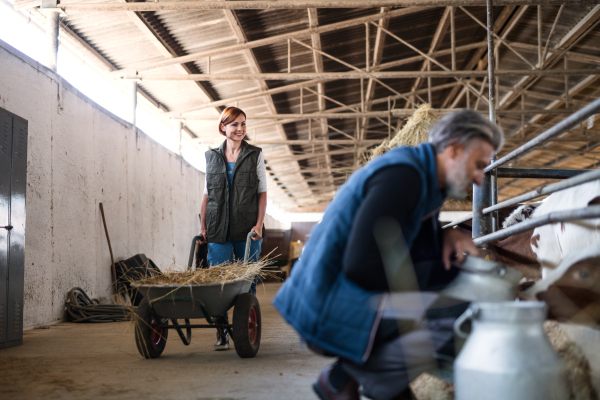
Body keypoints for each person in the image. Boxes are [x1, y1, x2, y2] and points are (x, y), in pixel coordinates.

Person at [273, 110, 504, 400]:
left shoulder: (426, 180)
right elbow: (363, 266)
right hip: (327, 303)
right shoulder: (403, 177)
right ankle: (345, 376)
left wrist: (443, 235)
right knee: (464, 315)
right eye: (479, 165)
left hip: (342, 295)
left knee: (455, 301)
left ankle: (368, 383)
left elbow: (404, 245)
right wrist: (448, 278)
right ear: (455, 149)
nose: (480, 179)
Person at [198, 106, 267, 351]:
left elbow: (262, 193)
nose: (240, 129)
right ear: (223, 127)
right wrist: (203, 228)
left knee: (247, 281)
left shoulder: (255, 154)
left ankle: (246, 329)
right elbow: (207, 195)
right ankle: (222, 332)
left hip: (248, 229)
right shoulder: (211, 157)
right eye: (235, 124)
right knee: (219, 282)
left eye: (243, 124)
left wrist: (258, 225)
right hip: (218, 229)